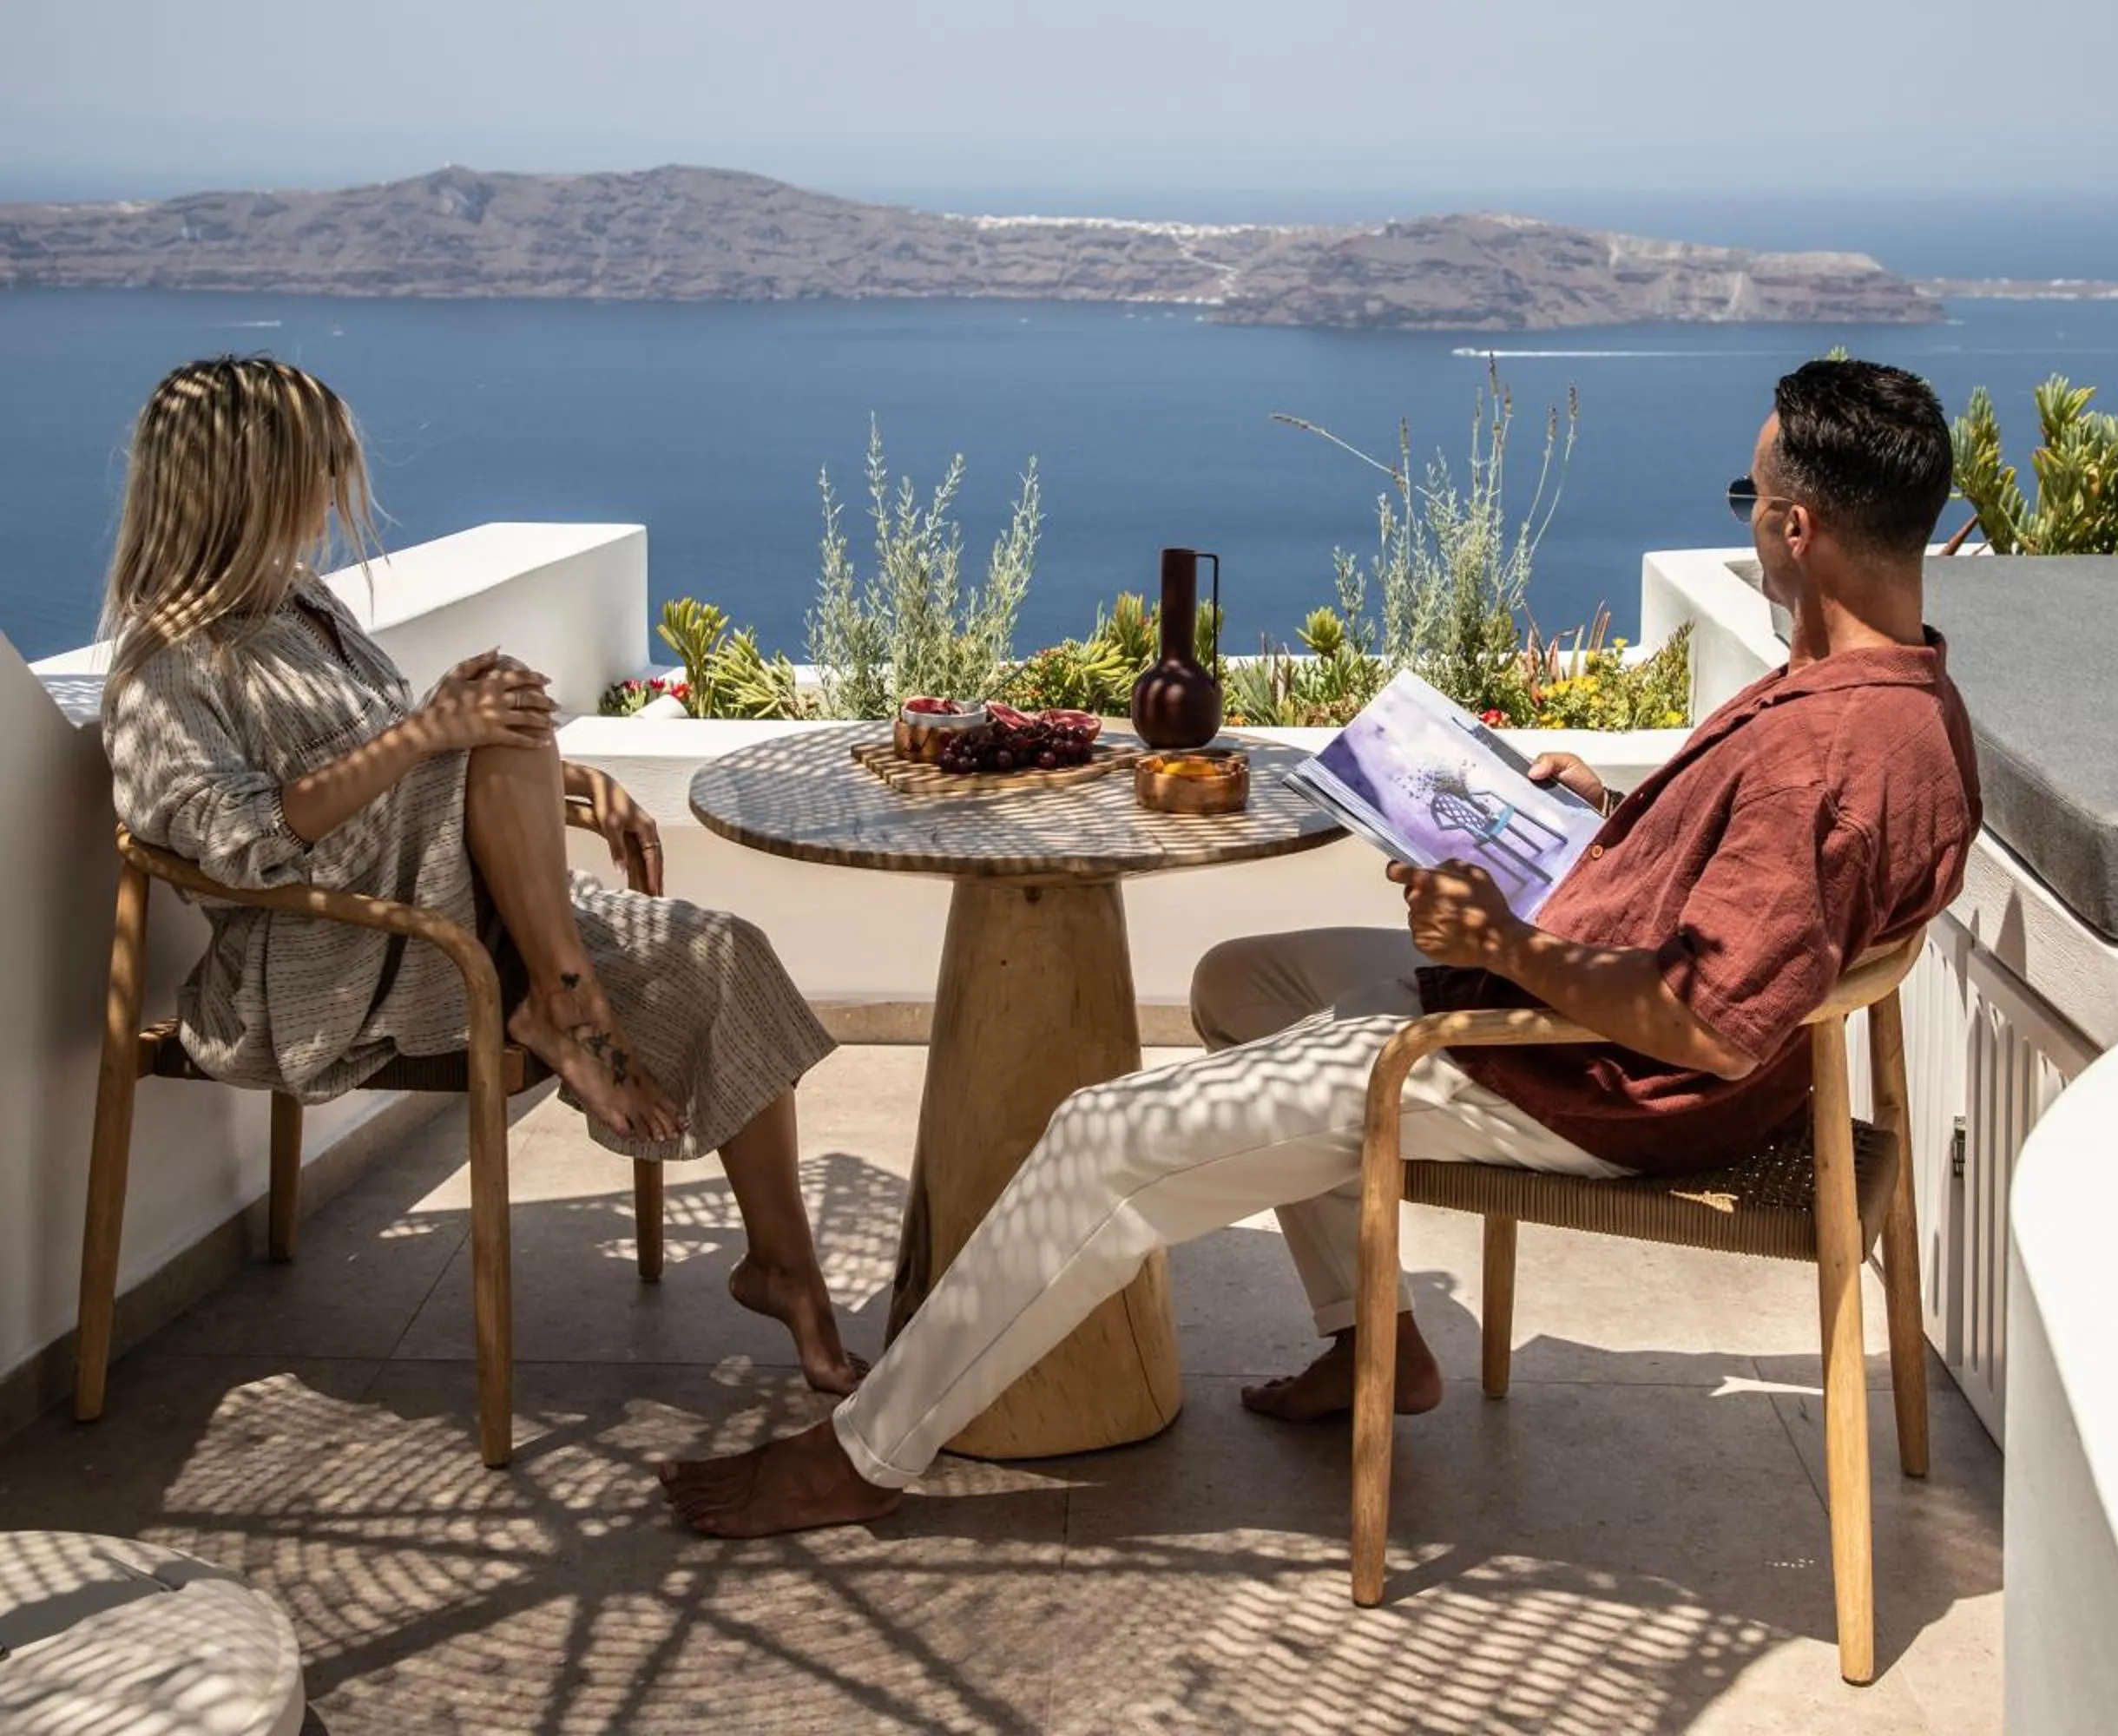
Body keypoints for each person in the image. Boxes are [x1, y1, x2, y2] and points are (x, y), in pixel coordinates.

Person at [659, 358, 1983, 1535]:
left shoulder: (1829, 748)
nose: (1749, 530)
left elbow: (1707, 1019)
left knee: (1100, 1135)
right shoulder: (1902, 697)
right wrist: (1599, 826)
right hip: (1583, 1017)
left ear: (1798, 527)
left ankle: (864, 1454)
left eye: (1748, 503)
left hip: (1588, 1078)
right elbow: (1751, 904)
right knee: (1246, 982)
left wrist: (1501, 942)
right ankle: (1377, 1344)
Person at [100, 356, 860, 1393]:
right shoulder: (166, 666)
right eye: (315, 469)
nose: (331, 491)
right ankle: (564, 996)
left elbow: (423, 759)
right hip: (338, 946)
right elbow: (241, 839)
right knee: (486, 711)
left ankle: (785, 1270)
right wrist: (433, 735)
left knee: (718, 948)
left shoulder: (303, 606)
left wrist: (556, 784)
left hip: (457, 902)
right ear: (243, 483)